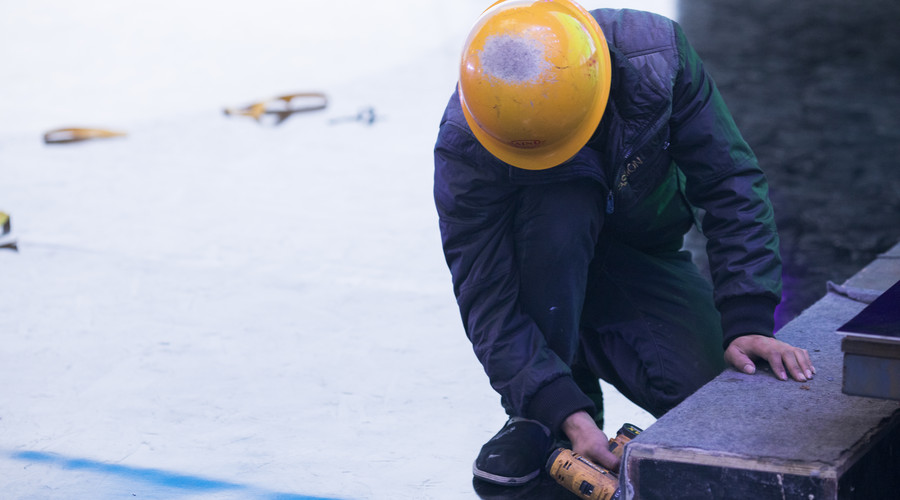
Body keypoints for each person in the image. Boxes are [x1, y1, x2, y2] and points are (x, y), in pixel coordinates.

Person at [432, 0, 816, 486]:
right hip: (542, 273)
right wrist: (560, 407)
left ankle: (566, 382)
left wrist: (748, 317)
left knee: (711, 396)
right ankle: (550, 409)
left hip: (638, 259)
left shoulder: (659, 60)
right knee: (561, 206)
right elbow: (485, 295)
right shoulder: (467, 144)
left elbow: (728, 183)